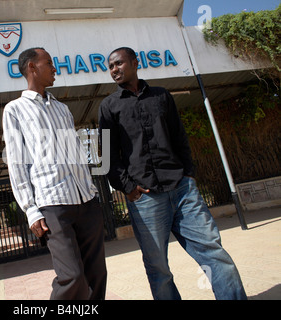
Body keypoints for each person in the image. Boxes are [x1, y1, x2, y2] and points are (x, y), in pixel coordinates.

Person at [98, 47, 246, 300]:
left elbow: (180, 138)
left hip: (182, 190)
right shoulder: (109, 106)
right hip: (145, 199)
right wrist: (127, 187)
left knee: (214, 252)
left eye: (118, 63)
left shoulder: (162, 96)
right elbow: (108, 154)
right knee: (158, 268)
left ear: (134, 63)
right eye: (110, 66)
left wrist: (188, 174)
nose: (114, 70)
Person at [2, 47, 107, 300]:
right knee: (72, 276)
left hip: (86, 200)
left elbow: (75, 154)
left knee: (97, 274)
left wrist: (91, 189)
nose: (54, 68)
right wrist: (30, 209)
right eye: (48, 63)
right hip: (53, 204)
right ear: (32, 68)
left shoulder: (62, 109)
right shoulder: (14, 110)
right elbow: (17, 163)